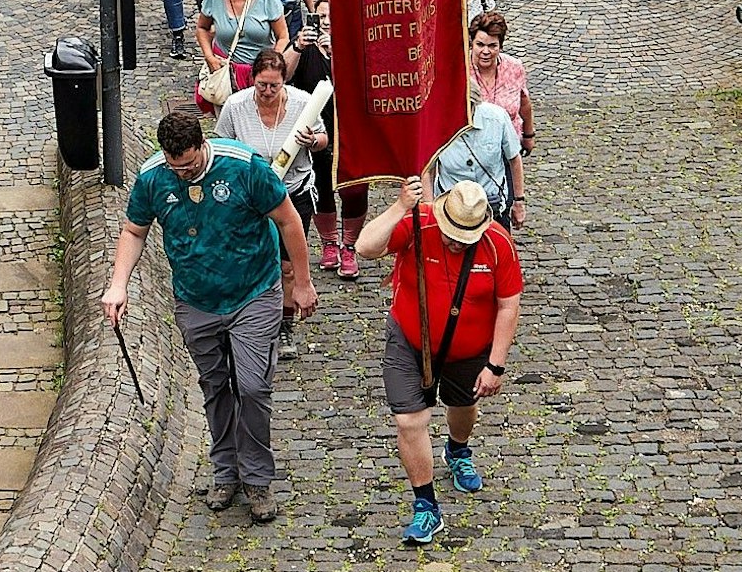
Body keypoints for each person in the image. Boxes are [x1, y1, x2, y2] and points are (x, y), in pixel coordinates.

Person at [103, 112, 318, 524]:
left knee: (253, 387)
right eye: (175, 166)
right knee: (215, 386)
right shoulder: (153, 178)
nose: (182, 174)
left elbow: (289, 221)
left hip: (253, 291)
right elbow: (134, 231)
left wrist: (302, 283)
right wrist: (119, 284)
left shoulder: (246, 168)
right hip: (195, 299)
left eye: (189, 165)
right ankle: (225, 470)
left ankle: (257, 478)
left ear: (203, 145)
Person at [355, 176, 523, 546]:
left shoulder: (497, 244)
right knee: (409, 419)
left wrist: (495, 365)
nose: (454, 242)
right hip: (409, 340)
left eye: (464, 238)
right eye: (451, 234)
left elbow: (508, 304)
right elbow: (364, 247)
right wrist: (401, 206)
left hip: (469, 348)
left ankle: (457, 448)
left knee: (463, 405)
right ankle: (426, 506)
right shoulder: (420, 222)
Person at [216, 48, 327, 360]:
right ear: (252, 81)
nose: (267, 92)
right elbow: (221, 146)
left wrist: (312, 141)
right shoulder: (236, 107)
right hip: (251, 197)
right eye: (261, 85)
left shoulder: (304, 103)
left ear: (284, 82)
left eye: (273, 86)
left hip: (294, 191)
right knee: (250, 260)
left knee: (288, 265)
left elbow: (323, 139)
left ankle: (285, 325)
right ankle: (249, 320)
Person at [285, 0, 368, 279]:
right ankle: (329, 242)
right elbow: (283, 74)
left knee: (355, 189)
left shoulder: (355, 47)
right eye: (321, 15)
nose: (327, 21)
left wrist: (340, 57)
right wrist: (297, 46)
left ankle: (350, 246)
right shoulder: (305, 48)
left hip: (352, 130)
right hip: (317, 130)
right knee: (320, 186)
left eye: (332, 16)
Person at [194, 0, 290, 111]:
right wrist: (209, 57)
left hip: (259, 74)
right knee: (227, 126)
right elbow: (202, 28)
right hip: (226, 73)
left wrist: (272, 62)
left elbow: (283, 36)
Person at [422, 98, 528, 230]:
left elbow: (514, 159)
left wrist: (519, 202)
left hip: (492, 208)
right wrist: (429, 209)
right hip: (449, 209)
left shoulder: (497, 118)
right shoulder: (433, 123)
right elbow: (427, 169)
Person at [468, 11, 535, 158]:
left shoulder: (514, 67)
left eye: (492, 46)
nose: (486, 51)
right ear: (471, 43)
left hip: (508, 149)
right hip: (471, 153)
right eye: (480, 45)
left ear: (501, 46)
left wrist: (529, 135)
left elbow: (524, 102)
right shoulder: (460, 71)